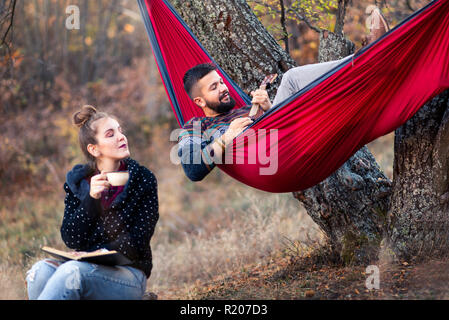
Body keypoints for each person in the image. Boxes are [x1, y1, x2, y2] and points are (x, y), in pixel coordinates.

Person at [178, 12, 388, 182]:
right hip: (272, 162)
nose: (224, 88)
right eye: (214, 87)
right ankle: (368, 58)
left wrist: (270, 109)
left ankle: (371, 64)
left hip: (294, 138)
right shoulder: (195, 126)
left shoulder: (242, 110)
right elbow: (192, 170)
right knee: (291, 79)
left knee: (304, 89)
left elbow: (283, 124)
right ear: (199, 101)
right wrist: (227, 137)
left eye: (222, 82)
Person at [26, 105, 159, 300]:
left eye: (120, 131)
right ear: (94, 149)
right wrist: (92, 200)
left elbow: (138, 239)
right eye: (110, 134)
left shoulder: (142, 179)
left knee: (72, 272)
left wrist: (93, 254)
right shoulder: (79, 182)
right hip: (85, 268)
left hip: (128, 275)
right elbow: (71, 238)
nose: (121, 137)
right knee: (39, 272)